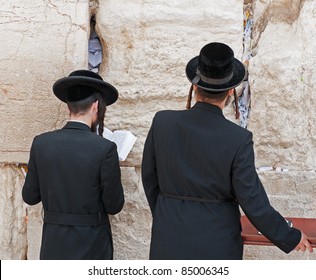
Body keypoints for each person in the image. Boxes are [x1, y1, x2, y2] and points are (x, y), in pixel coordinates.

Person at [141, 42, 313, 259]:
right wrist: (289, 236)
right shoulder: (238, 139)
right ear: (231, 91)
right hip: (216, 242)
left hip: (168, 237)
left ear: (195, 86)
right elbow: (253, 202)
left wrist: (166, 212)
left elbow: (149, 178)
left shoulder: (161, 122)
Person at [22, 70, 124, 260]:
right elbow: (114, 205)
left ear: (69, 107)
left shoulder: (40, 143)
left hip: (53, 246)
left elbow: (30, 196)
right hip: (92, 246)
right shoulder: (105, 148)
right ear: (95, 106)